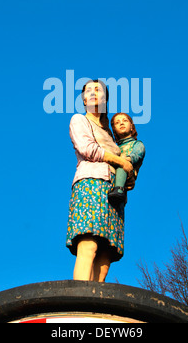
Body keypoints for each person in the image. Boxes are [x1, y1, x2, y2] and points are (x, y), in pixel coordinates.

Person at [66, 79, 134, 282]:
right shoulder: (79, 120)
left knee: (105, 255)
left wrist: (128, 175)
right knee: (89, 244)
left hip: (114, 193)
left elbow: (126, 165)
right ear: (84, 98)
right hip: (91, 185)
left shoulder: (110, 135)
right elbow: (88, 149)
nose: (94, 93)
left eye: (99, 90)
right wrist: (120, 160)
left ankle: (96, 304)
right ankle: (79, 301)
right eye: (89, 90)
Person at [108, 113, 145, 206]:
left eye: (125, 121)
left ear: (132, 127)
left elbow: (137, 154)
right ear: (114, 130)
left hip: (126, 170)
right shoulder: (114, 147)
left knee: (122, 166)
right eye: (117, 122)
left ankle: (119, 190)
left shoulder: (136, 144)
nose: (121, 123)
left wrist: (126, 159)